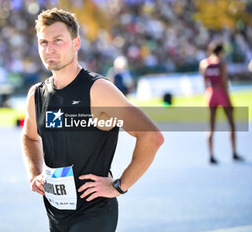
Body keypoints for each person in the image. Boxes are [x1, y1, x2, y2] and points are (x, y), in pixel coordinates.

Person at [21, 8, 164, 232]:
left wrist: (120, 186)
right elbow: (29, 137)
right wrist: (34, 173)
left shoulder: (98, 90)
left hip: (94, 213)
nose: (49, 49)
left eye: (58, 40)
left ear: (76, 44)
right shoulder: (36, 95)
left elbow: (151, 136)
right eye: (43, 42)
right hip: (56, 215)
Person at [199, 41, 244, 164]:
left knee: (211, 126)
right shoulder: (221, 64)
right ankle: (234, 152)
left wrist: (208, 95)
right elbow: (224, 83)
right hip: (221, 92)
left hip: (210, 93)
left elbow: (204, 82)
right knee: (231, 124)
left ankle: (211, 154)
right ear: (220, 52)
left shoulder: (204, 63)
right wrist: (229, 101)